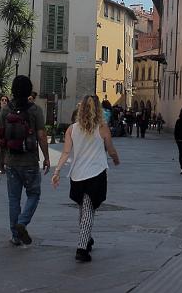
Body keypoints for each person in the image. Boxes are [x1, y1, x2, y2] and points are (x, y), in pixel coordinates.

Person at [52, 96, 120, 262]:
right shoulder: (102, 128)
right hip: (96, 174)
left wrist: (57, 171)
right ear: (98, 110)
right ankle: (81, 249)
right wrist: (115, 158)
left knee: (84, 209)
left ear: (81, 109)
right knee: (88, 210)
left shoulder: (72, 129)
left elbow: (66, 152)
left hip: (77, 175)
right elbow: (110, 149)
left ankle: (86, 238)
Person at [0, 76, 50, 246]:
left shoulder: (5, 110)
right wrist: (46, 157)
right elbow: (41, 136)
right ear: (29, 90)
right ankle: (22, 222)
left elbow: (0, 137)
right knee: (34, 194)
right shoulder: (35, 110)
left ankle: (15, 235)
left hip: (11, 161)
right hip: (30, 161)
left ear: (13, 89)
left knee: (14, 199)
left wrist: (0, 160)